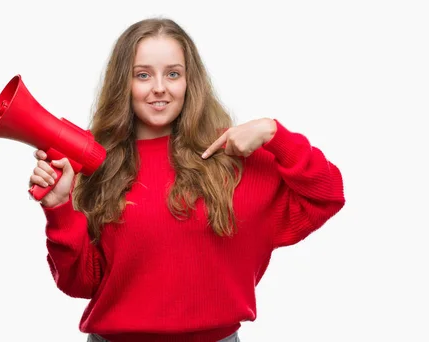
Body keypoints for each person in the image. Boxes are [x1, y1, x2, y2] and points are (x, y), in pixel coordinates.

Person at [29, 17, 345, 342]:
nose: (159, 88)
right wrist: (58, 208)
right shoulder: (98, 164)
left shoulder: (235, 159)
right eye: (142, 75)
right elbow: (79, 283)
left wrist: (274, 133)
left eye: (173, 74)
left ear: (189, 81)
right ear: (123, 84)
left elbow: (327, 194)